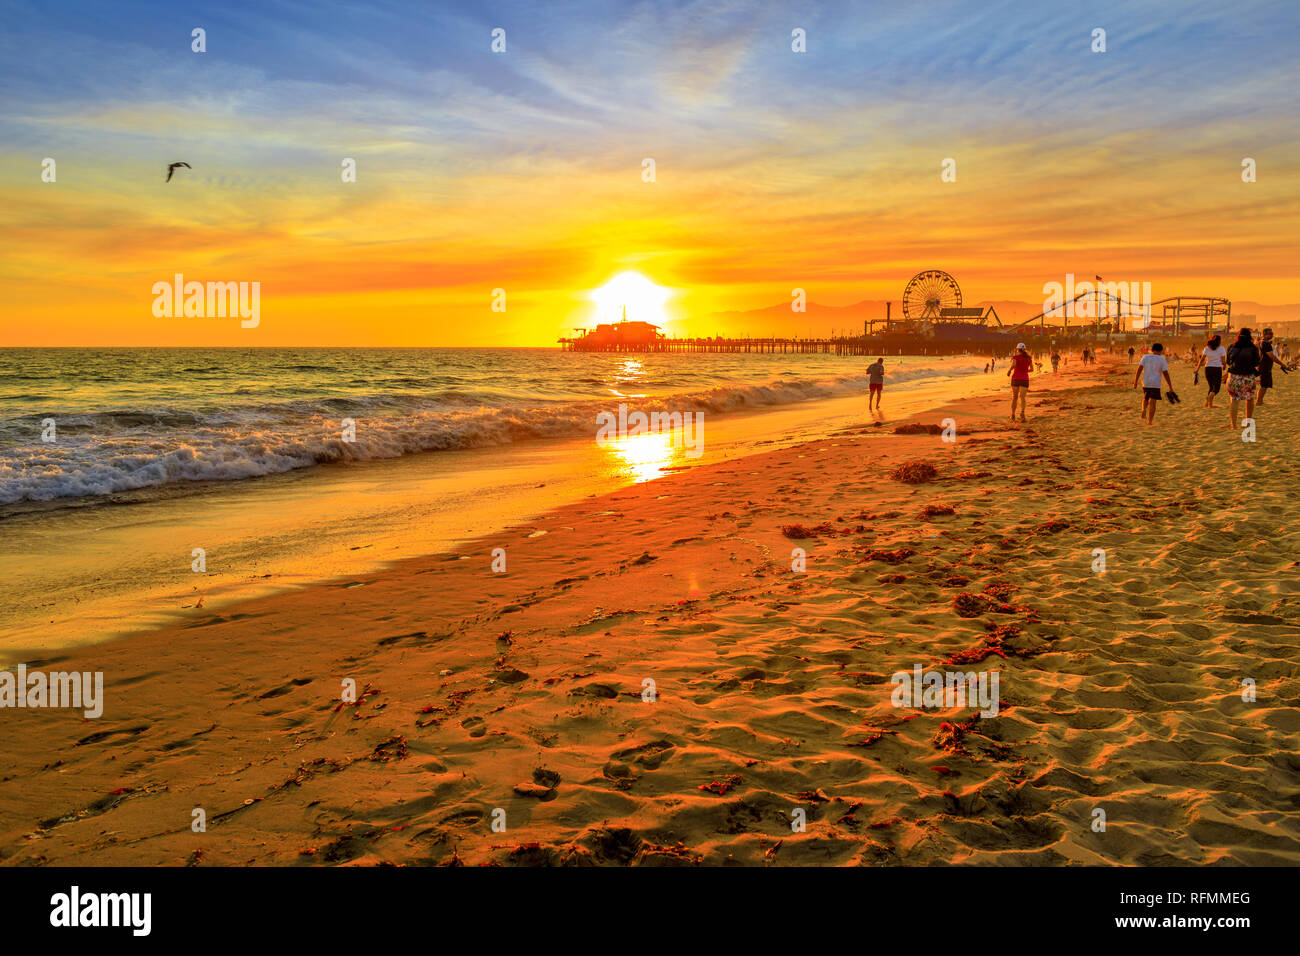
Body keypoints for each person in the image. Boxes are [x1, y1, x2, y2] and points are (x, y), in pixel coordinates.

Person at [1225, 328, 1261, 430]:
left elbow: (1228, 362)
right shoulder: (1253, 348)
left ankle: (1233, 425)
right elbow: (1256, 363)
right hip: (1248, 377)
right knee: (1249, 399)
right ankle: (1248, 423)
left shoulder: (1231, 347)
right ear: (1249, 336)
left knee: (1234, 400)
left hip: (1234, 376)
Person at [1133, 342, 1173, 424]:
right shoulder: (1162, 359)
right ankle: (1150, 421)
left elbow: (1139, 369)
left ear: (1151, 350)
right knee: (1153, 402)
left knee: (1146, 398)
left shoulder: (1145, 357)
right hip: (1156, 383)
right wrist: (1170, 386)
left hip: (1146, 382)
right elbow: (1165, 373)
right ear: (1161, 351)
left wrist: (1135, 381)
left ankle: (1143, 409)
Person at [1193, 334, 1227, 408]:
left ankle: (1208, 405)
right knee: (1216, 389)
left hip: (1208, 368)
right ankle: (1208, 399)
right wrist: (1224, 365)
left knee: (1211, 387)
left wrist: (1197, 369)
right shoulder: (1221, 349)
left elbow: (1201, 360)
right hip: (1217, 369)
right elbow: (1223, 360)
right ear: (1219, 341)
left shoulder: (1206, 348)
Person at [1256, 328, 1289, 405]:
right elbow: (1271, 356)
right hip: (1264, 366)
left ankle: (1260, 400)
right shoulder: (1265, 343)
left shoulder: (1262, 342)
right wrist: (1281, 363)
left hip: (1264, 366)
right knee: (1264, 385)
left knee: (1265, 384)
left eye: (1271, 333)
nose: (1271, 335)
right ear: (1264, 334)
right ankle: (1259, 401)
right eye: (1269, 334)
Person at [1007, 342, 1032, 422]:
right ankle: (1022, 413)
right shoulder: (1029, 358)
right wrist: (1024, 371)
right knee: (1023, 398)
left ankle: (1013, 415)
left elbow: (1014, 365)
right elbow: (1032, 369)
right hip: (1024, 379)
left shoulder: (1015, 357)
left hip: (1016, 379)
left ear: (1017, 349)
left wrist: (1009, 370)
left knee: (1015, 397)